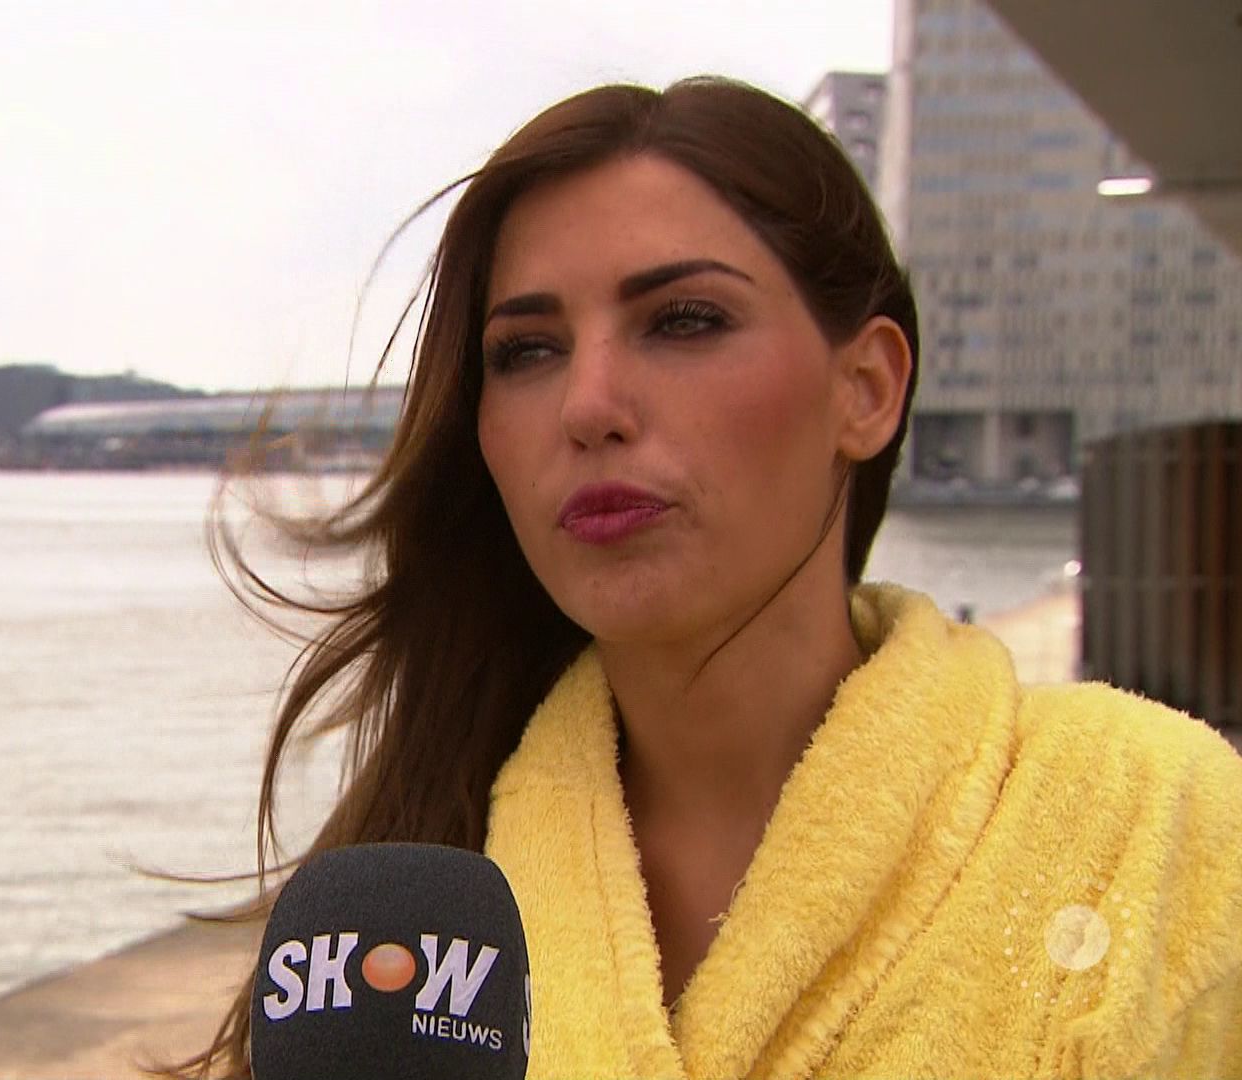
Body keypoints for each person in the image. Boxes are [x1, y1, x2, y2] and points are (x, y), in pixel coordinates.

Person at [160, 77, 1242, 1079]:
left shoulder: (1153, 829)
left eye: (684, 321)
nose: (589, 404)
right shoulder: (402, 920)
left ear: (867, 388)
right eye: (526, 350)